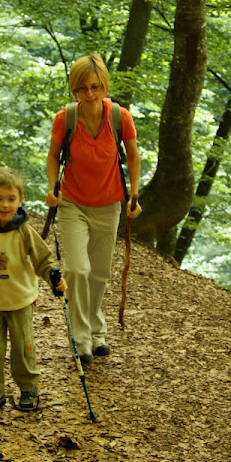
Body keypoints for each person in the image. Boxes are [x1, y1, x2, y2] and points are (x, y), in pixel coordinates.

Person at [46, 54, 141, 367]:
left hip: (109, 204)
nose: (89, 94)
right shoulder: (66, 119)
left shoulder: (120, 117)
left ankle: (96, 330)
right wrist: (52, 187)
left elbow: (133, 154)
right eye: (82, 88)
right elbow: (53, 155)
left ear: (104, 86)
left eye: (95, 87)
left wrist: (134, 193)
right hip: (72, 203)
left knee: (99, 273)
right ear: (74, 89)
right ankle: (81, 337)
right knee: (77, 270)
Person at [0, 166, 67, 412]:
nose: (5, 205)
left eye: (11, 199)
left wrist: (53, 278)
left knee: (23, 347)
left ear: (20, 200)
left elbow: (43, 259)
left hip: (20, 299)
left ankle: (28, 388)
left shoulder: (23, 229)